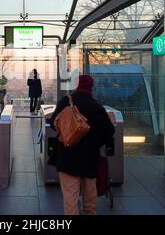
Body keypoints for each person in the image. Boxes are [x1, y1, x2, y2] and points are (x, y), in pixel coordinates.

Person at [49, 75, 115, 215]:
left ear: (76, 85)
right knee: (90, 202)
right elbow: (109, 131)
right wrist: (95, 142)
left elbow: (53, 122)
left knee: (70, 200)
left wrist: (68, 133)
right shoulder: (96, 106)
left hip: (67, 157)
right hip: (89, 159)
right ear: (91, 87)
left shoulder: (66, 101)